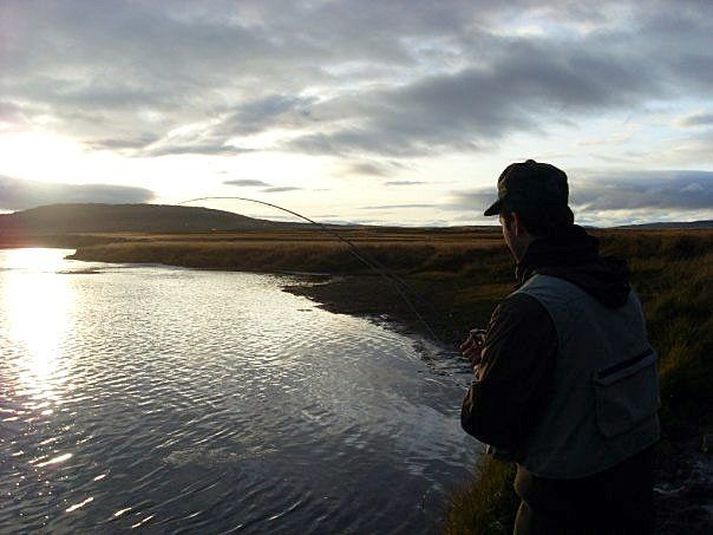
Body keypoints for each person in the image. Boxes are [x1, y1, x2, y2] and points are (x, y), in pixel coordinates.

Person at [460, 160, 660, 534]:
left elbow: (487, 421)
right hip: (634, 488)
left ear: (515, 222)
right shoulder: (617, 283)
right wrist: (501, 354)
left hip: (563, 508)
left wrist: (486, 370)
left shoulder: (528, 307)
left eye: (502, 224)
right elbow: (582, 359)